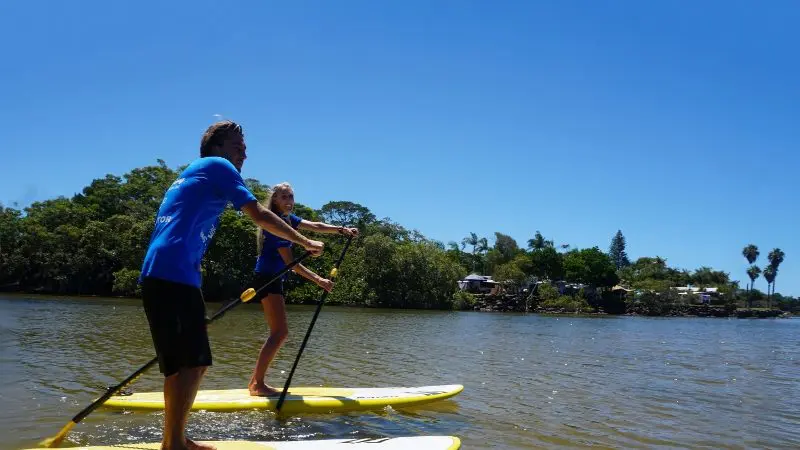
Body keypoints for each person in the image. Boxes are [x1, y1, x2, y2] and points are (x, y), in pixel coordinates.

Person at [138, 120, 325, 450]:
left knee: (182, 365)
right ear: (218, 147)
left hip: (164, 274)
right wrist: (303, 241)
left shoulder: (196, 171)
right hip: (172, 274)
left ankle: (174, 440)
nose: (244, 154)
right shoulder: (217, 165)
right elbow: (258, 214)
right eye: (238, 147)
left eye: (245, 149)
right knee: (193, 363)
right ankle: (175, 444)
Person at [247, 182, 358, 397]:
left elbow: (315, 226)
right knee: (279, 333)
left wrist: (341, 230)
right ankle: (256, 384)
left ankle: (256, 382)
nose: (289, 201)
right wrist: (319, 280)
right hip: (268, 279)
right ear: (275, 200)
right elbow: (292, 265)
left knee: (279, 333)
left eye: (291, 197)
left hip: (272, 279)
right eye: (284, 197)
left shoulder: (288, 220)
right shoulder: (277, 225)